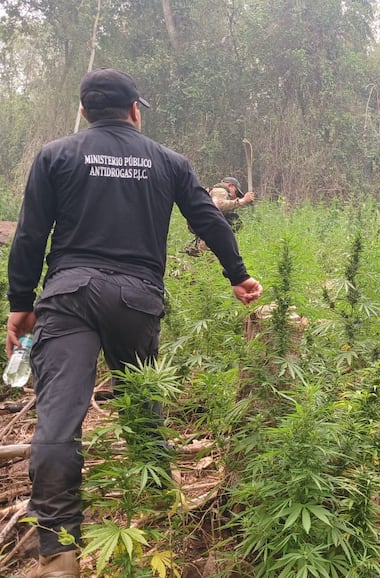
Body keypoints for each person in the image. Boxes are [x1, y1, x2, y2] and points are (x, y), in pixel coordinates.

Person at [5, 68, 263, 578]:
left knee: (58, 420)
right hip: (136, 297)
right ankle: (161, 509)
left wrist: (21, 302)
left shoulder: (57, 154)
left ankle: (58, 555)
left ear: (84, 112)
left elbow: (31, 235)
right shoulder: (167, 160)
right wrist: (239, 275)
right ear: (134, 111)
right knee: (141, 402)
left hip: (68, 294)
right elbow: (207, 220)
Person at [187, 177, 255, 253]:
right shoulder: (220, 190)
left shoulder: (212, 191)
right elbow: (217, 205)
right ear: (230, 185)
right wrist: (241, 201)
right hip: (210, 232)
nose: (235, 196)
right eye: (236, 192)